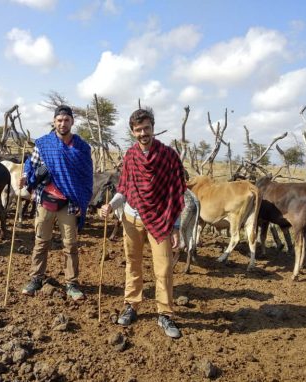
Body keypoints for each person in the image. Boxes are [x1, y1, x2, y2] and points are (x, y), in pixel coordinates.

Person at [101, 108, 186, 338]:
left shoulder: (168, 156)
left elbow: (175, 193)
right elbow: (124, 190)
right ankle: (132, 304)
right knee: (133, 263)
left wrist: (176, 226)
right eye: (138, 130)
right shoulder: (130, 156)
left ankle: (165, 314)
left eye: (146, 128)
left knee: (164, 267)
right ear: (132, 131)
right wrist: (112, 206)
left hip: (160, 220)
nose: (142, 133)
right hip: (131, 218)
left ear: (153, 128)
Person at [21, 105, 93, 301]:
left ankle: (72, 283)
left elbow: (87, 178)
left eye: (66, 120)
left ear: (72, 122)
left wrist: (82, 201)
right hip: (45, 201)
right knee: (41, 242)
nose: (62, 123)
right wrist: (26, 176)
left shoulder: (82, 148)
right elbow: (31, 164)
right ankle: (36, 278)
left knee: (70, 245)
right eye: (59, 120)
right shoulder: (44, 144)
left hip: (69, 203)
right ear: (54, 122)